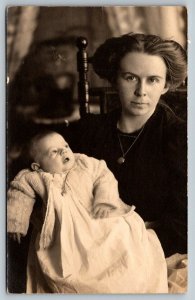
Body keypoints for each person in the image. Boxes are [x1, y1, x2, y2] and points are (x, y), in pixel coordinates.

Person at [7, 130, 168, 293]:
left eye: (65, 146)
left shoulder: (84, 163)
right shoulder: (33, 177)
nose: (64, 151)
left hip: (97, 219)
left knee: (120, 236)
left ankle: (122, 274)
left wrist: (104, 198)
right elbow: (19, 193)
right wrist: (16, 223)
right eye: (54, 152)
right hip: (62, 230)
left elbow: (104, 176)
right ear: (37, 166)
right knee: (68, 264)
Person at [72, 33, 187, 258]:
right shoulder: (88, 131)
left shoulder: (180, 138)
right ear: (115, 79)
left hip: (154, 253)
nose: (141, 91)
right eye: (130, 77)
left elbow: (185, 224)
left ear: (166, 85)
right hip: (90, 249)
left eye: (152, 80)